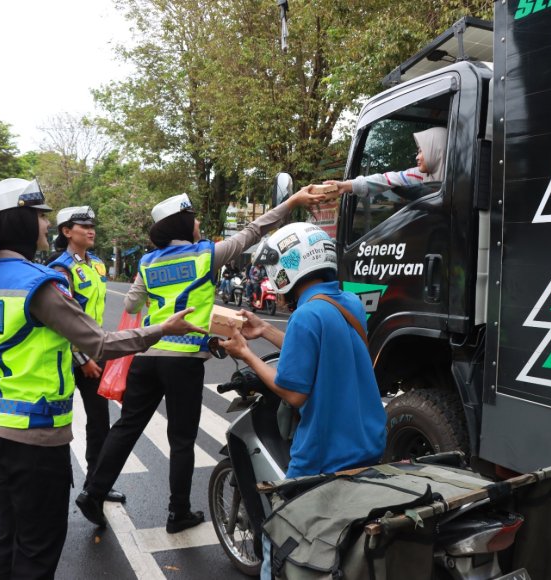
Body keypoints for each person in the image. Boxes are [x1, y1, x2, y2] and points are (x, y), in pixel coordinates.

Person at [0, 178, 207, 578]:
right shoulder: (38, 284)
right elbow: (100, 342)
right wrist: (161, 330)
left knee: (10, 536)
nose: (45, 225)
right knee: (38, 548)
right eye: (39, 217)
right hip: (34, 434)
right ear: (20, 223)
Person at [76, 187, 326, 533]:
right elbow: (254, 230)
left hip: (147, 357)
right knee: (181, 440)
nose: (198, 225)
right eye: (194, 219)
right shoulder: (207, 255)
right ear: (184, 225)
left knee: (126, 427)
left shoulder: (148, 261)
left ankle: (93, 492)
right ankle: (178, 512)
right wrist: (292, 202)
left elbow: (132, 306)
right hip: (183, 362)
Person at [219, 222, 387, 579]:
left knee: (278, 546)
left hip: (321, 457)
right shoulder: (348, 304)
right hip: (367, 446)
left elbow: (294, 392)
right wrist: (264, 330)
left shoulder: (306, 315)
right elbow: (314, 350)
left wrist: (246, 353)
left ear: (288, 269)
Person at [46, 206, 126, 505]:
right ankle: (56, 492)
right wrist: (82, 359)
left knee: (99, 425)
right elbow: (62, 319)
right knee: (57, 423)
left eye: (92, 226)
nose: (90, 230)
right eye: (83, 226)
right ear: (67, 232)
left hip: (96, 352)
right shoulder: (60, 269)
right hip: (72, 358)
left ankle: (97, 486)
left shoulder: (99, 266)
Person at [323, 126, 447, 197]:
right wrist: (346, 186)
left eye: (421, 151)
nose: (417, 157)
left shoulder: (462, 181)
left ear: (436, 150)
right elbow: (385, 179)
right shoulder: (419, 175)